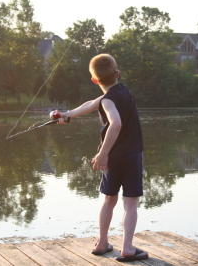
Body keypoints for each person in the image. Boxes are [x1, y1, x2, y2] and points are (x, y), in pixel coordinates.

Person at [55, 53, 148, 262]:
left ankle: (102, 243)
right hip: (131, 156)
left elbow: (110, 118)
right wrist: (67, 114)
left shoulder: (107, 99)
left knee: (109, 200)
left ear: (94, 80)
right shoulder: (122, 91)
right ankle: (127, 248)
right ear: (117, 73)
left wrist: (103, 153)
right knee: (130, 203)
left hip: (112, 157)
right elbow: (95, 107)